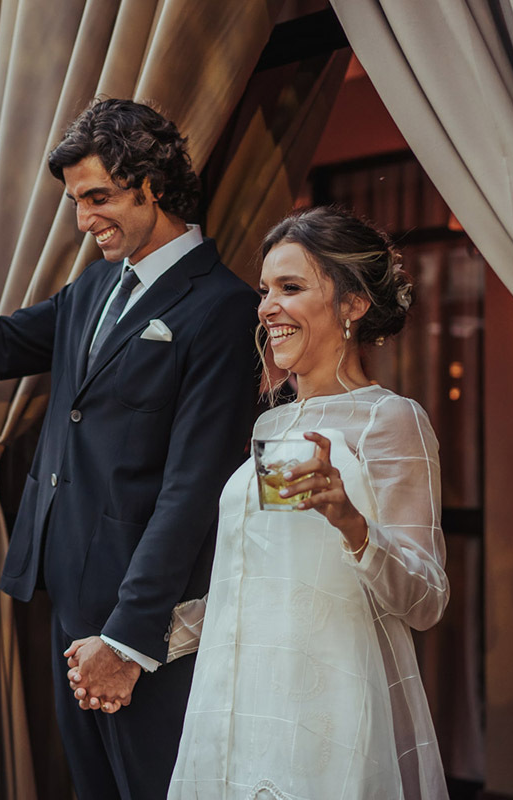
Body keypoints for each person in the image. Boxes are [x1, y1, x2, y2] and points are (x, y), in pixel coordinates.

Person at [0, 98, 260, 799]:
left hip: (146, 618)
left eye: (98, 197)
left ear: (152, 187)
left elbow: (192, 491)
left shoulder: (224, 307)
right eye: (75, 202)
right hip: (64, 591)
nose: (83, 220)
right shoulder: (95, 284)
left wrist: (128, 638)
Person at [167, 206, 450, 799]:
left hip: (330, 714)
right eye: (265, 290)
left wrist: (353, 525)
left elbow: (426, 600)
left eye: (290, 288)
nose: (267, 306)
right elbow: (259, 585)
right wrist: (139, 640)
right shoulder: (272, 423)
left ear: (353, 304)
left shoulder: (390, 419)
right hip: (242, 706)